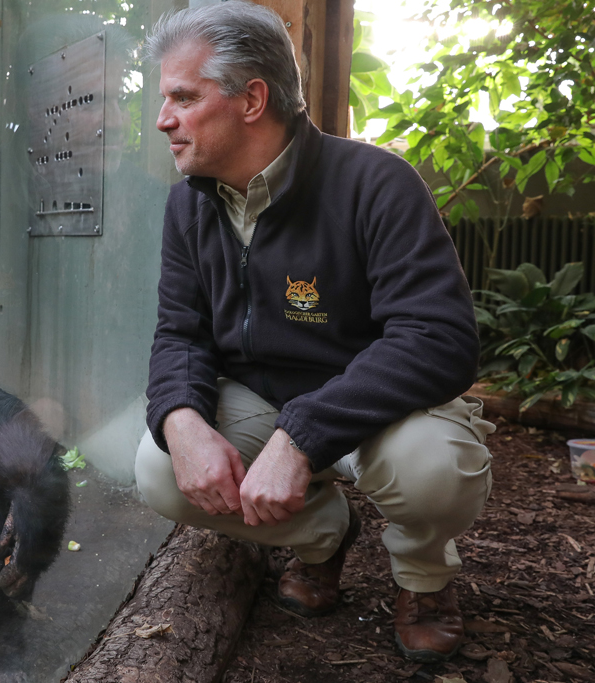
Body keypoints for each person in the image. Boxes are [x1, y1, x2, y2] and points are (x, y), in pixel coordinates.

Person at [134, 1, 494, 663]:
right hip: (260, 400)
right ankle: (325, 533)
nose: (164, 119)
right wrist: (182, 421)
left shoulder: (375, 182)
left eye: (183, 97)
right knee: (157, 467)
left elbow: (438, 338)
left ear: (252, 100)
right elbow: (179, 335)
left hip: (373, 415)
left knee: (433, 468)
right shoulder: (187, 205)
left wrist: (300, 435)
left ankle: (423, 575)